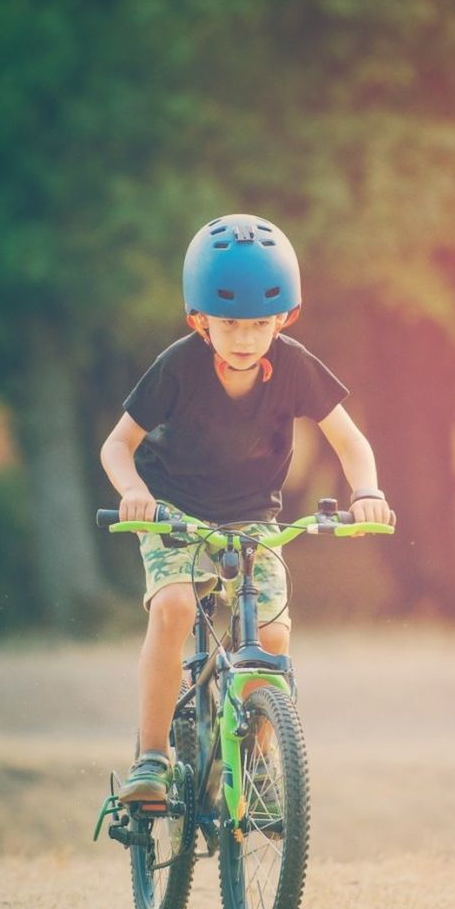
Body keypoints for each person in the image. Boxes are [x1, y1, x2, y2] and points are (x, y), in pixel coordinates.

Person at [100, 213, 395, 802]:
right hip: (173, 513)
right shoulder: (178, 367)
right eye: (229, 323)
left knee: (274, 638)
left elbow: (350, 442)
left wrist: (368, 493)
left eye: (260, 324)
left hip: (252, 518)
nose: (244, 338)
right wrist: (134, 492)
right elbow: (117, 445)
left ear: (284, 318)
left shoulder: (294, 365)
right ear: (198, 319)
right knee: (176, 607)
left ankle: (257, 763)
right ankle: (153, 760)